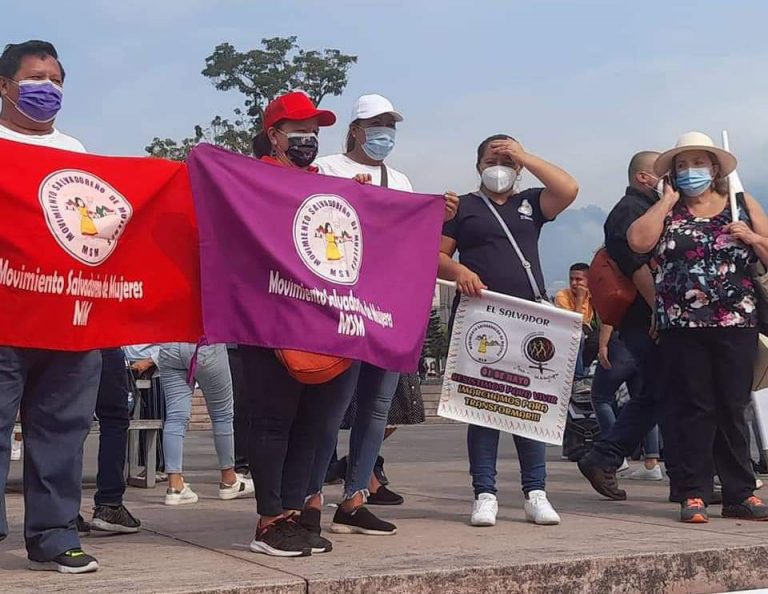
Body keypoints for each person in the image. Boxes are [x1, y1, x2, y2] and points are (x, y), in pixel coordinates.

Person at [306, 95, 439, 531]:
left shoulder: (399, 180)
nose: (385, 132)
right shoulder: (327, 168)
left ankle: (355, 497)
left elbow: (410, 240)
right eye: (376, 123)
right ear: (355, 130)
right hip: (343, 304)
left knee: (377, 406)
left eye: (390, 124)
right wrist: (351, 197)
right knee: (332, 405)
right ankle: (309, 497)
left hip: (389, 304)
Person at [627, 131, 768, 523]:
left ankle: (741, 492)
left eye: (699, 163)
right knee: (692, 407)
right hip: (681, 324)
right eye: (683, 165)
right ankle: (693, 492)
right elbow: (637, 242)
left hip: (735, 321)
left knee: (733, 406)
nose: (691, 171)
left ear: (715, 168)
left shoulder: (741, 204)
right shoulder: (667, 209)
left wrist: (752, 237)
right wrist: (666, 201)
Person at [439, 133, 578, 527]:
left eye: (507, 160)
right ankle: (484, 493)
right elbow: (436, 256)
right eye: (491, 159)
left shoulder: (531, 202)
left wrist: (525, 155)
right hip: (480, 316)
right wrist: (460, 271)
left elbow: (568, 189)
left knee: (529, 407)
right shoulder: (463, 206)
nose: (499, 166)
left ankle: (536, 492)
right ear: (478, 165)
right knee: (482, 408)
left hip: (528, 318)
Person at [245, 91, 362, 557]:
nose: (308, 139)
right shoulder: (252, 180)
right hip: (270, 322)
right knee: (274, 422)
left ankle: (293, 512)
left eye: (314, 132)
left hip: (323, 324)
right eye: (298, 131)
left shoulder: (327, 186)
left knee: (312, 426)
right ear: (274, 135)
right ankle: (269, 520)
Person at [0, 40, 100, 574]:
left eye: (56, 80)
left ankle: (55, 533)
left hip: (67, 316)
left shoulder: (76, 151)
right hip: (5, 315)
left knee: (62, 429)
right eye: (36, 78)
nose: (48, 88)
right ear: (5, 86)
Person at [577, 151, 670, 502]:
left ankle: (689, 476)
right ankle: (605, 455)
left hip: (646, 317)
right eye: (663, 172)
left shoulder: (647, 208)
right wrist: (660, 310)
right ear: (644, 177)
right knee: (660, 391)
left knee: (662, 392)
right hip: (644, 319)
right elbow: (636, 266)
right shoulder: (631, 211)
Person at [158, 343, 252, 505]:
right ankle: (229, 480)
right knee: (222, 415)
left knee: (175, 418)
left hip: (170, 347)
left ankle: (175, 485)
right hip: (205, 344)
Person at [78, 349, 142, 535]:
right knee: (114, 420)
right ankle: (110, 504)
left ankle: (63, 512)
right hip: (104, 344)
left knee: (67, 425)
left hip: (63, 347)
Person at [591, 324, 663, 480]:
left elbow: (609, 319)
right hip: (645, 343)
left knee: (600, 397)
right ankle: (651, 462)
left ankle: (614, 455)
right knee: (645, 401)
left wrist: (602, 345)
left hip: (621, 341)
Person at [555, 262, 595, 392]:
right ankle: (578, 379)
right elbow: (573, 323)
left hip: (586, 332)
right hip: (567, 332)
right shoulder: (562, 296)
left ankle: (586, 372)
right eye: (571, 279)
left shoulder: (592, 296)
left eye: (578, 279)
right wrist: (579, 299)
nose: (574, 283)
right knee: (578, 336)